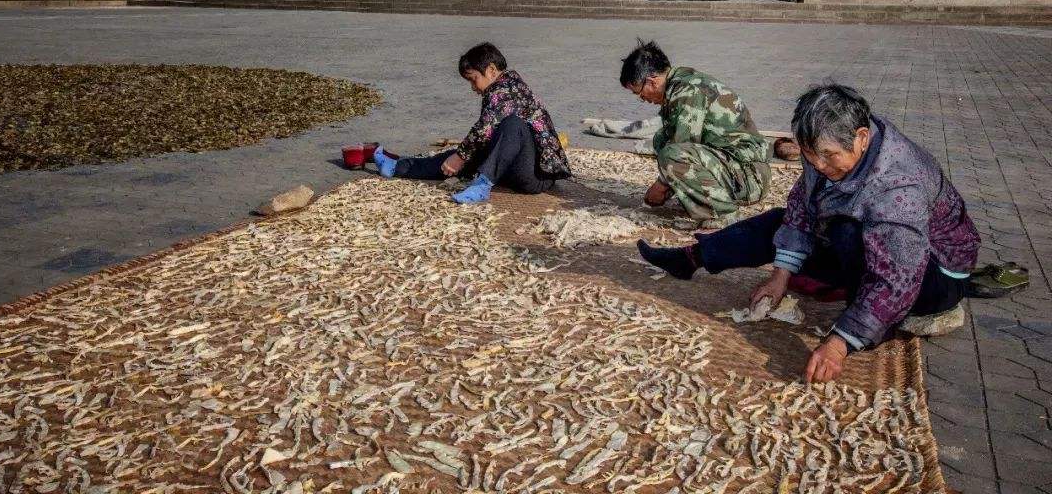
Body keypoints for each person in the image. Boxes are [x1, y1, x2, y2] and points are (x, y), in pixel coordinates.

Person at [637, 84, 980, 383]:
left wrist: (839, 343)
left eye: (829, 157)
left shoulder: (898, 185)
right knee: (781, 221)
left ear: (862, 138)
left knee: (846, 233)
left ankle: (868, 323)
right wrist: (780, 276)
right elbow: (802, 206)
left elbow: (897, 278)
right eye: (811, 156)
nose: (819, 165)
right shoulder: (827, 149)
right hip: (878, 250)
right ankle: (693, 258)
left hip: (934, 276)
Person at [372, 43, 571, 204]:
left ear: (491, 70)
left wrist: (461, 157)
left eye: (474, 79)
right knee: (455, 158)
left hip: (536, 176)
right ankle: (397, 167)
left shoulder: (509, 88)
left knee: (512, 125)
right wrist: (460, 157)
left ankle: (482, 185)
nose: (473, 87)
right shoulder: (497, 89)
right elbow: (483, 137)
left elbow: (485, 128)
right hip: (510, 166)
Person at [621, 40, 771, 226]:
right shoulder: (681, 82)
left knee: (672, 154)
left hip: (749, 178)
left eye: (639, 93)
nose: (643, 99)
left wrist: (660, 186)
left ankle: (721, 215)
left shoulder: (687, 90)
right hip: (737, 169)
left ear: (652, 82)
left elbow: (680, 148)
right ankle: (699, 197)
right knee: (661, 139)